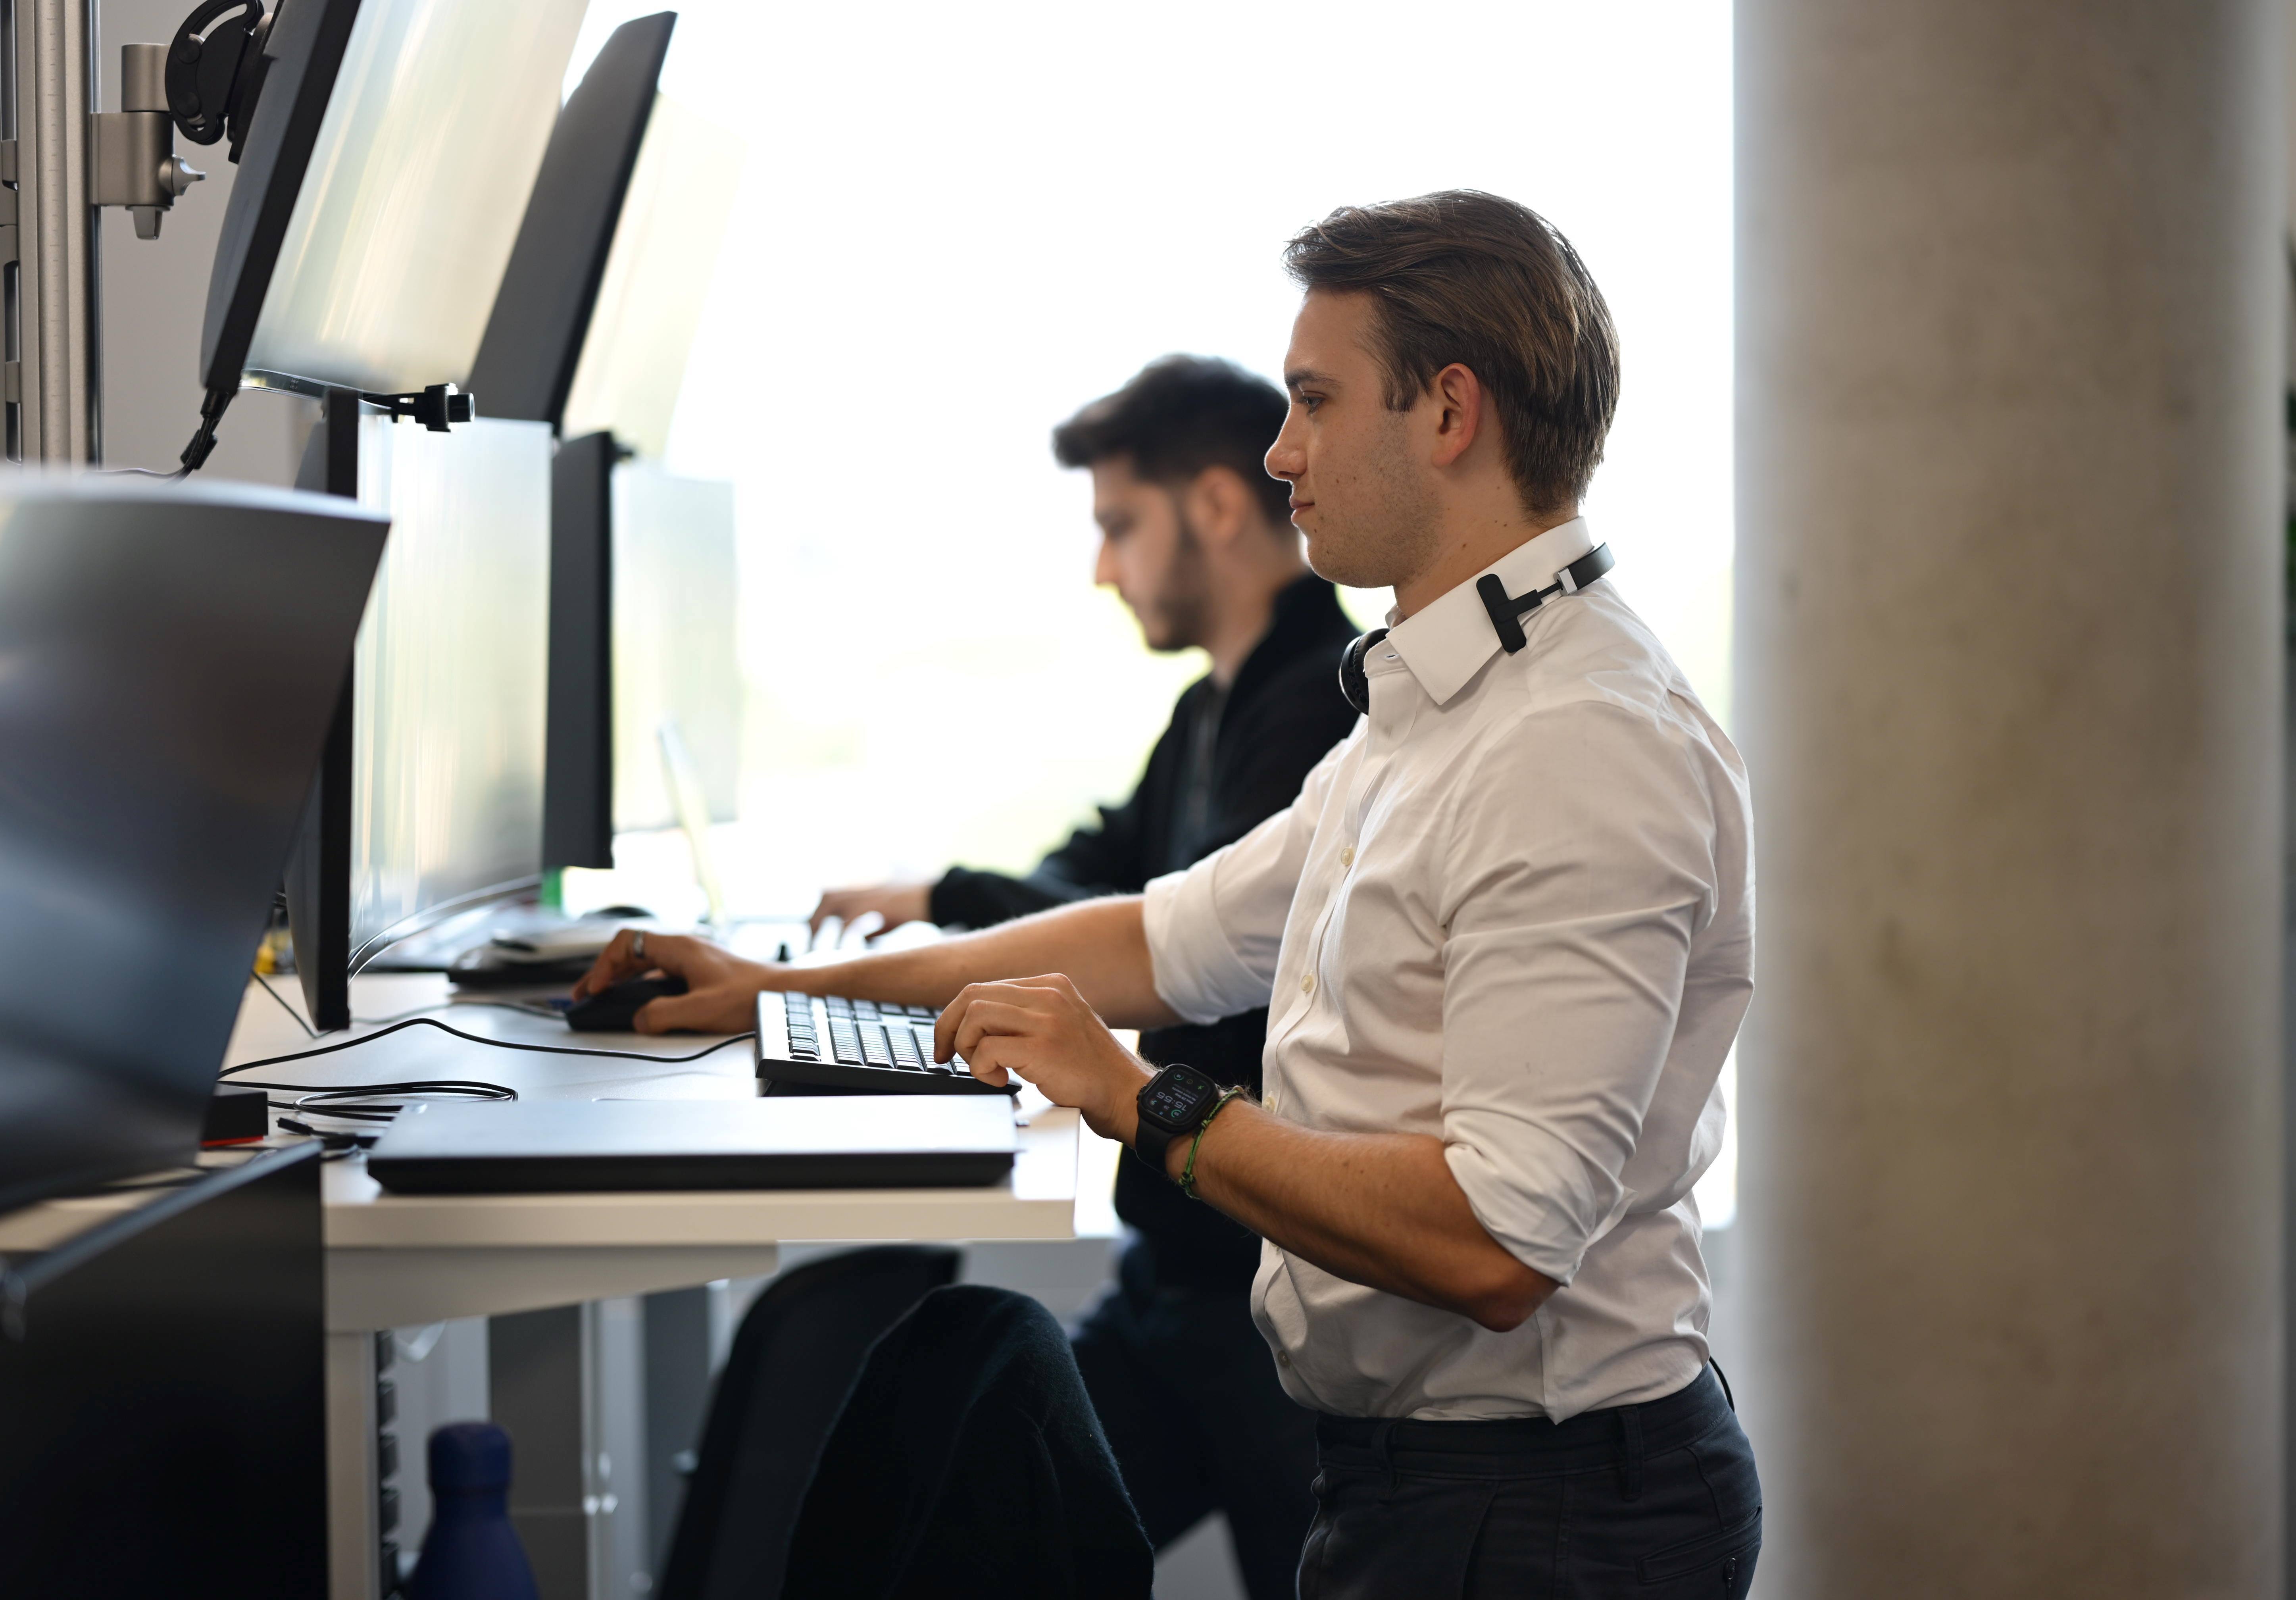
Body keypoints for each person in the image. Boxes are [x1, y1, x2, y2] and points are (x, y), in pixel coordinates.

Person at [583, 189, 1761, 1598]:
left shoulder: (1578, 745)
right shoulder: (1437, 711)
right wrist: (780, 988)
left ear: (1450, 415)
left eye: (1314, 403)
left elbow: (1500, 1238)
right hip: (1417, 1479)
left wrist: (1149, 1101)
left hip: (1540, 1513)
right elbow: (1162, 934)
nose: (1282, 452)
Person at [811, 355, 1360, 1598]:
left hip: (1260, 1296)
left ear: (1217, 507)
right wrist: (934, 902)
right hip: (1177, 1283)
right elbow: (1100, 874)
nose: (1104, 568)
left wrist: (950, 921)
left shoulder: (1319, 712)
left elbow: (1165, 954)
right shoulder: (1212, 711)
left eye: (1121, 526)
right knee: (976, 1526)